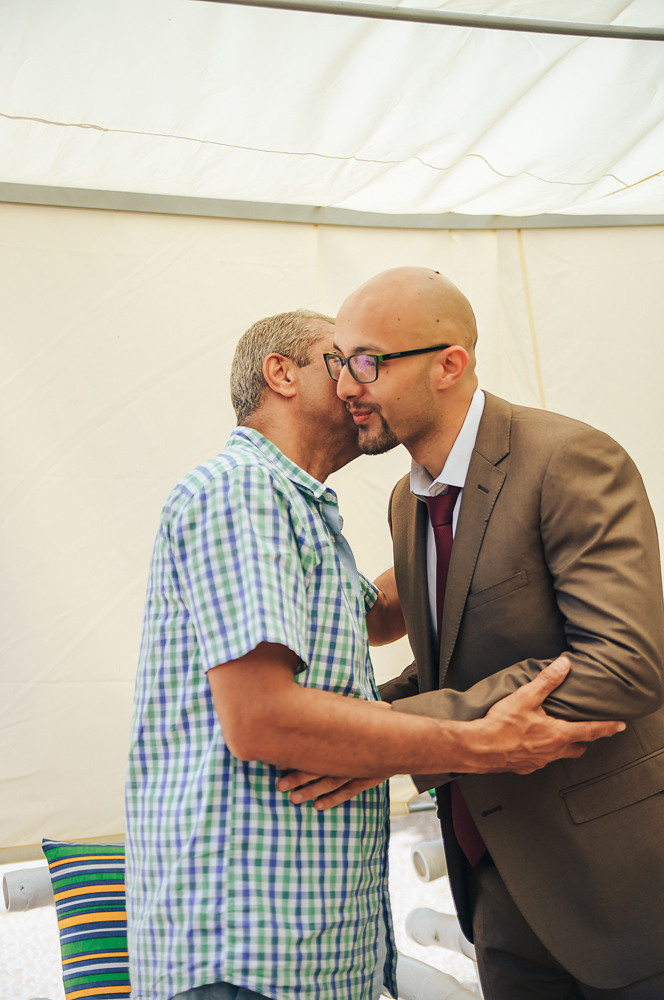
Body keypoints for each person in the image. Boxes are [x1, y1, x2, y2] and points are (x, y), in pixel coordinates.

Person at [125, 307, 623, 1000]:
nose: (366, 383)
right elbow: (260, 719)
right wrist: (479, 745)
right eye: (348, 363)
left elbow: (381, 614)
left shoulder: (301, 510)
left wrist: (463, 512)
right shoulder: (242, 490)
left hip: (310, 950)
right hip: (249, 955)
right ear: (282, 374)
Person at [303, 267, 664, 1000]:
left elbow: (623, 667)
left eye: (368, 361)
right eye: (339, 361)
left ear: (450, 364)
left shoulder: (568, 460)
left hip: (623, 888)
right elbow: (451, 670)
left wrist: (392, 735)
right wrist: (336, 722)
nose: (345, 385)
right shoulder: (408, 501)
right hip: (494, 886)